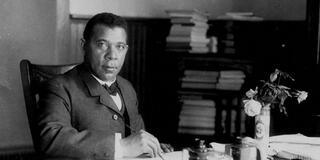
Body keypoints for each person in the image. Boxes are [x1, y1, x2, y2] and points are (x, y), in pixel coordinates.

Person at [37, 12, 173, 160]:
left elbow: (137, 137)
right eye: (102, 44)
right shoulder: (59, 87)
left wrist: (150, 146)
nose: (112, 55)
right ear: (84, 46)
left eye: (120, 46)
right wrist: (121, 147)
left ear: (126, 50)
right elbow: (51, 138)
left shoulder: (127, 88)